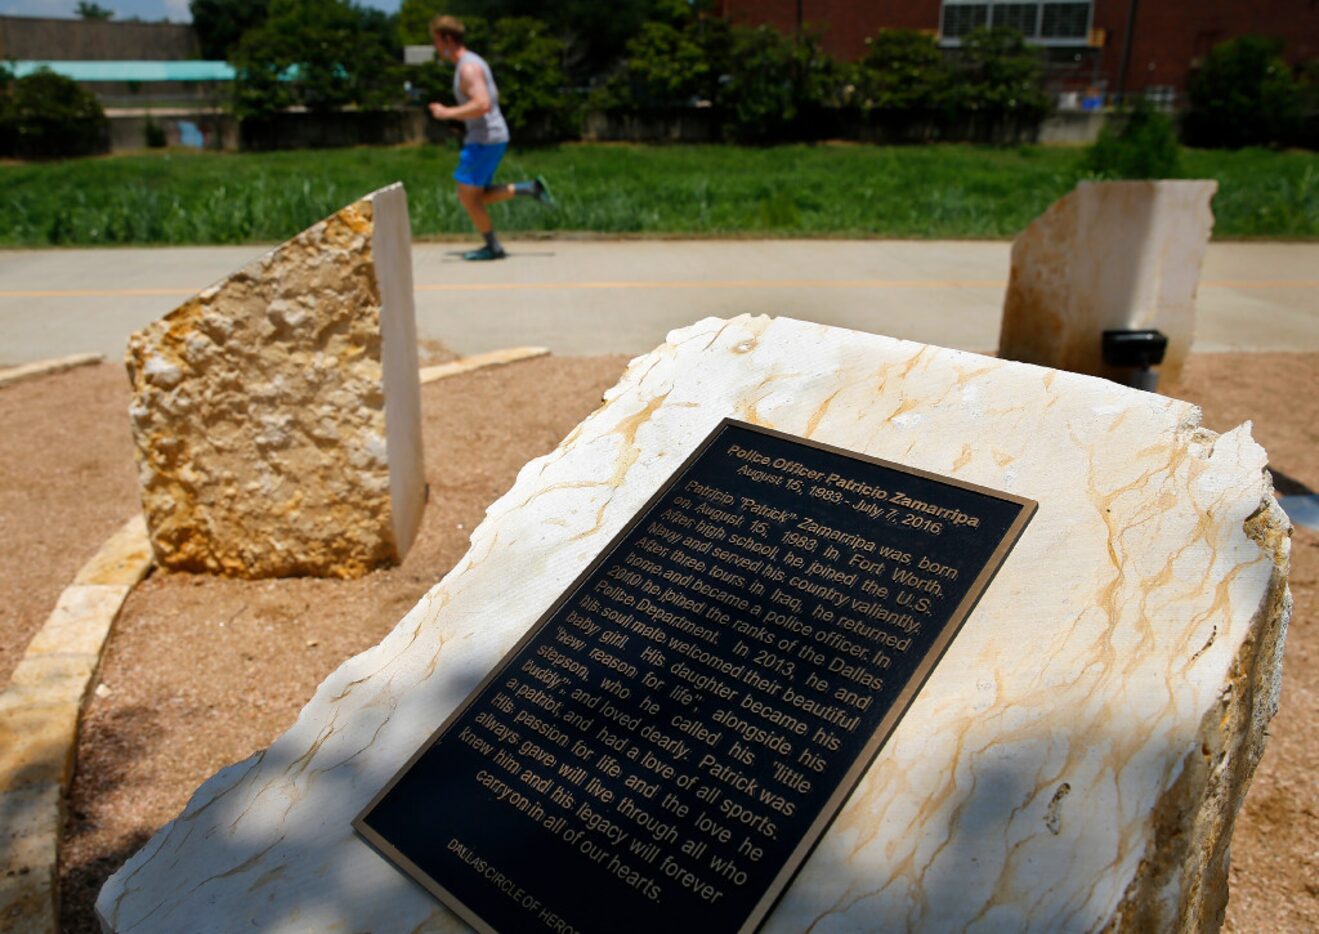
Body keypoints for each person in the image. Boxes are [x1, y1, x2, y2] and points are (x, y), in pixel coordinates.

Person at [428, 15, 553, 261]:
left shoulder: (468, 67)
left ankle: (493, 247)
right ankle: (529, 188)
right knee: (475, 196)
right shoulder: (473, 62)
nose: (434, 47)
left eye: (435, 41)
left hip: (484, 139)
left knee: (467, 196)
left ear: (447, 39)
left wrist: (447, 113)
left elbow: (483, 104)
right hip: (487, 136)